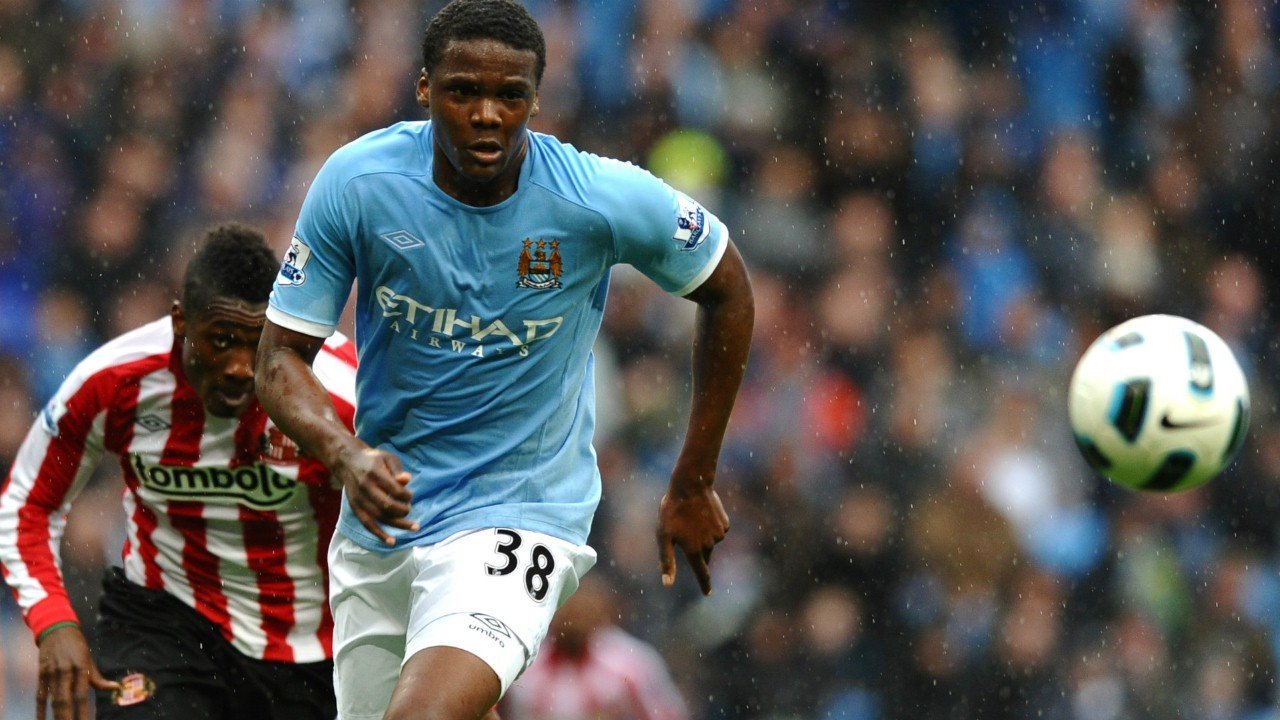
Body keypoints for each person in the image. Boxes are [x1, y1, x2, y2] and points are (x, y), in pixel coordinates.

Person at [254, 1, 755, 719]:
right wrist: (346, 456)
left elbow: (728, 286)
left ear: (536, 99)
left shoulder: (593, 197)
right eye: (463, 91)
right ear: (424, 88)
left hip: (521, 514)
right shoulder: (358, 183)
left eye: (510, 95)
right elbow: (279, 357)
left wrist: (694, 476)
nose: (487, 114)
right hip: (383, 521)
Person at [0, 224, 357, 720]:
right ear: (180, 322)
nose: (239, 367)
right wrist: (54, 623)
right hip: (163, 627)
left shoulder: (343, 391)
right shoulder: (113, 381)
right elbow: (27, 503)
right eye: (221, 340)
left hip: (310, 651)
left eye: (254, 345)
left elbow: (419, 520)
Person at [504, 576, 691, 720]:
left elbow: (666, 715)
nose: (575, 620)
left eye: (584, 611)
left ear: (603, 613)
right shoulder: (522, 663)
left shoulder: (631, 664)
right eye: (570, 609)